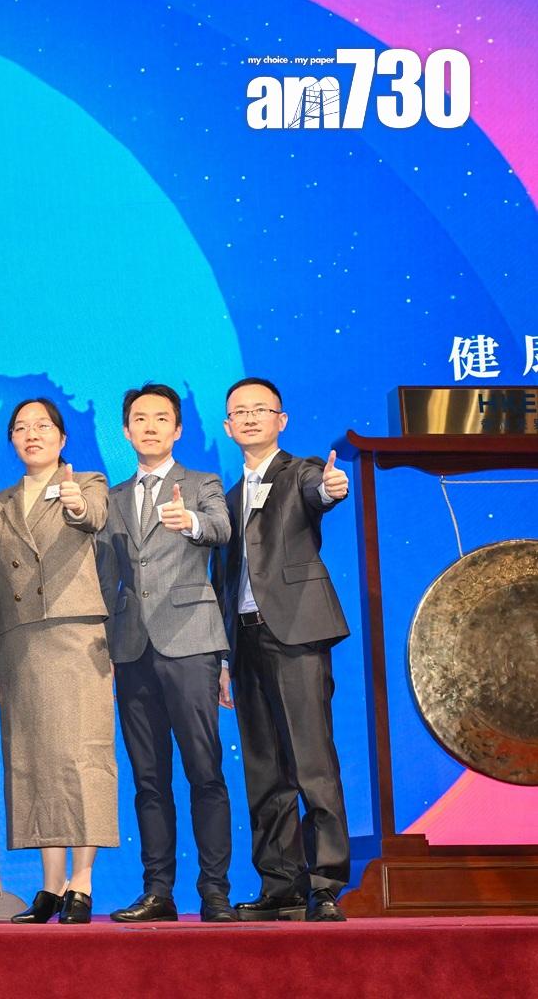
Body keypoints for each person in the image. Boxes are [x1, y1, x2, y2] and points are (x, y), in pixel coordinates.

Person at [212, 376, 352, 923]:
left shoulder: (301, 472)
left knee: (311, 762)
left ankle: (326, 883)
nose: (249, 418)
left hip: (295, 632)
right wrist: (224, 659)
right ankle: (281, 885)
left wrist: (332, 487)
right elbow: (225, 581)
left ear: (281, 419)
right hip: (244, 640)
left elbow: (322, 490)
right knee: (264, 768)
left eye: (260, 409)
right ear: (228, 427)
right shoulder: (227, 499)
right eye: (239, 412)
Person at [95, 384, 236, 924]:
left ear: (177, 429)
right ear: (126, 431)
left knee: (205, 771)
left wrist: (191, 522)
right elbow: (107, 577)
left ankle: (215, 892)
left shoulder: (201, 483)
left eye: (161, 418)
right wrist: (105, 646)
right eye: (139, 418)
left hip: (191, 643)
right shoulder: (114, 496)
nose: (149, 426)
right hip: (132, 649)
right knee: (149, 779)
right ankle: (158, 892)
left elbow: (222, 528)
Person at [0, 398, 116, 925]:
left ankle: (82, 882)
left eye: (42, 426)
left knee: (81, 754)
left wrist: (76, 503)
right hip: (19, 641)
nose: (31, 434)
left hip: (74, 633)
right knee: (33, 759)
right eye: (21, 427)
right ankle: (51, 884)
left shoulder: (86, 482)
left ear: (62, 438)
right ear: (12, 441)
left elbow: (94, 516)